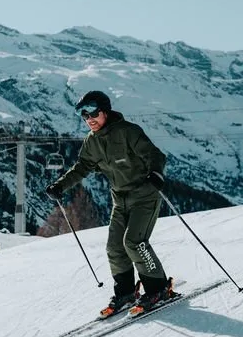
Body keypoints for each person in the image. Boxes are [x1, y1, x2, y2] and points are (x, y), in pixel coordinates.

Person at [46, 90, 173, 317]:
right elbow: (82, 167)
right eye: (84, 116)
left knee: (135, 243)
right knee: (114, 248)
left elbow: (155, 155)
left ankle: (158, 288)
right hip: (119, 200)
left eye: (93, 112)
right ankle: (125, 293)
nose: (89, 119)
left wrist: (156, 174)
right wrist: (60, 186)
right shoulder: (91, 142)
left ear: (105, 111)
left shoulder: (128, 132)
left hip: (144, 196)